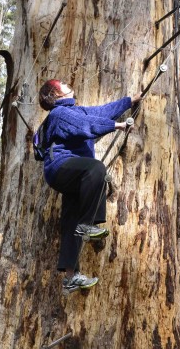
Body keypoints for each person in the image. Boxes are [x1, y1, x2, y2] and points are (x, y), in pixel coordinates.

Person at [38, 79, 142, 294]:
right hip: (61, 166)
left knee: (71, 223)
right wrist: (118, 125)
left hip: (73, 176)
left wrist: (129, 101)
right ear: (55, 94)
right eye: (62, 83)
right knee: (95, 169)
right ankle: (88, 224)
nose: (68, 83)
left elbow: (101, 113)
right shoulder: (60, 114)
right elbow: (87, 126)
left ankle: (70, 276)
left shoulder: (75, 111)